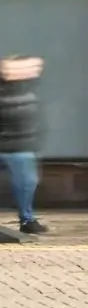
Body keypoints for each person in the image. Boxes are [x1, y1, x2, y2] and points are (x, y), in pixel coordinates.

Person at [0, 54, 47, 236]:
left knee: (27, 183)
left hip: (21, 146)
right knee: (26, 183)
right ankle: (27, 220)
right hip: (18, 146)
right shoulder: (26, 94)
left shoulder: (29, 94)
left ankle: (27, 219)